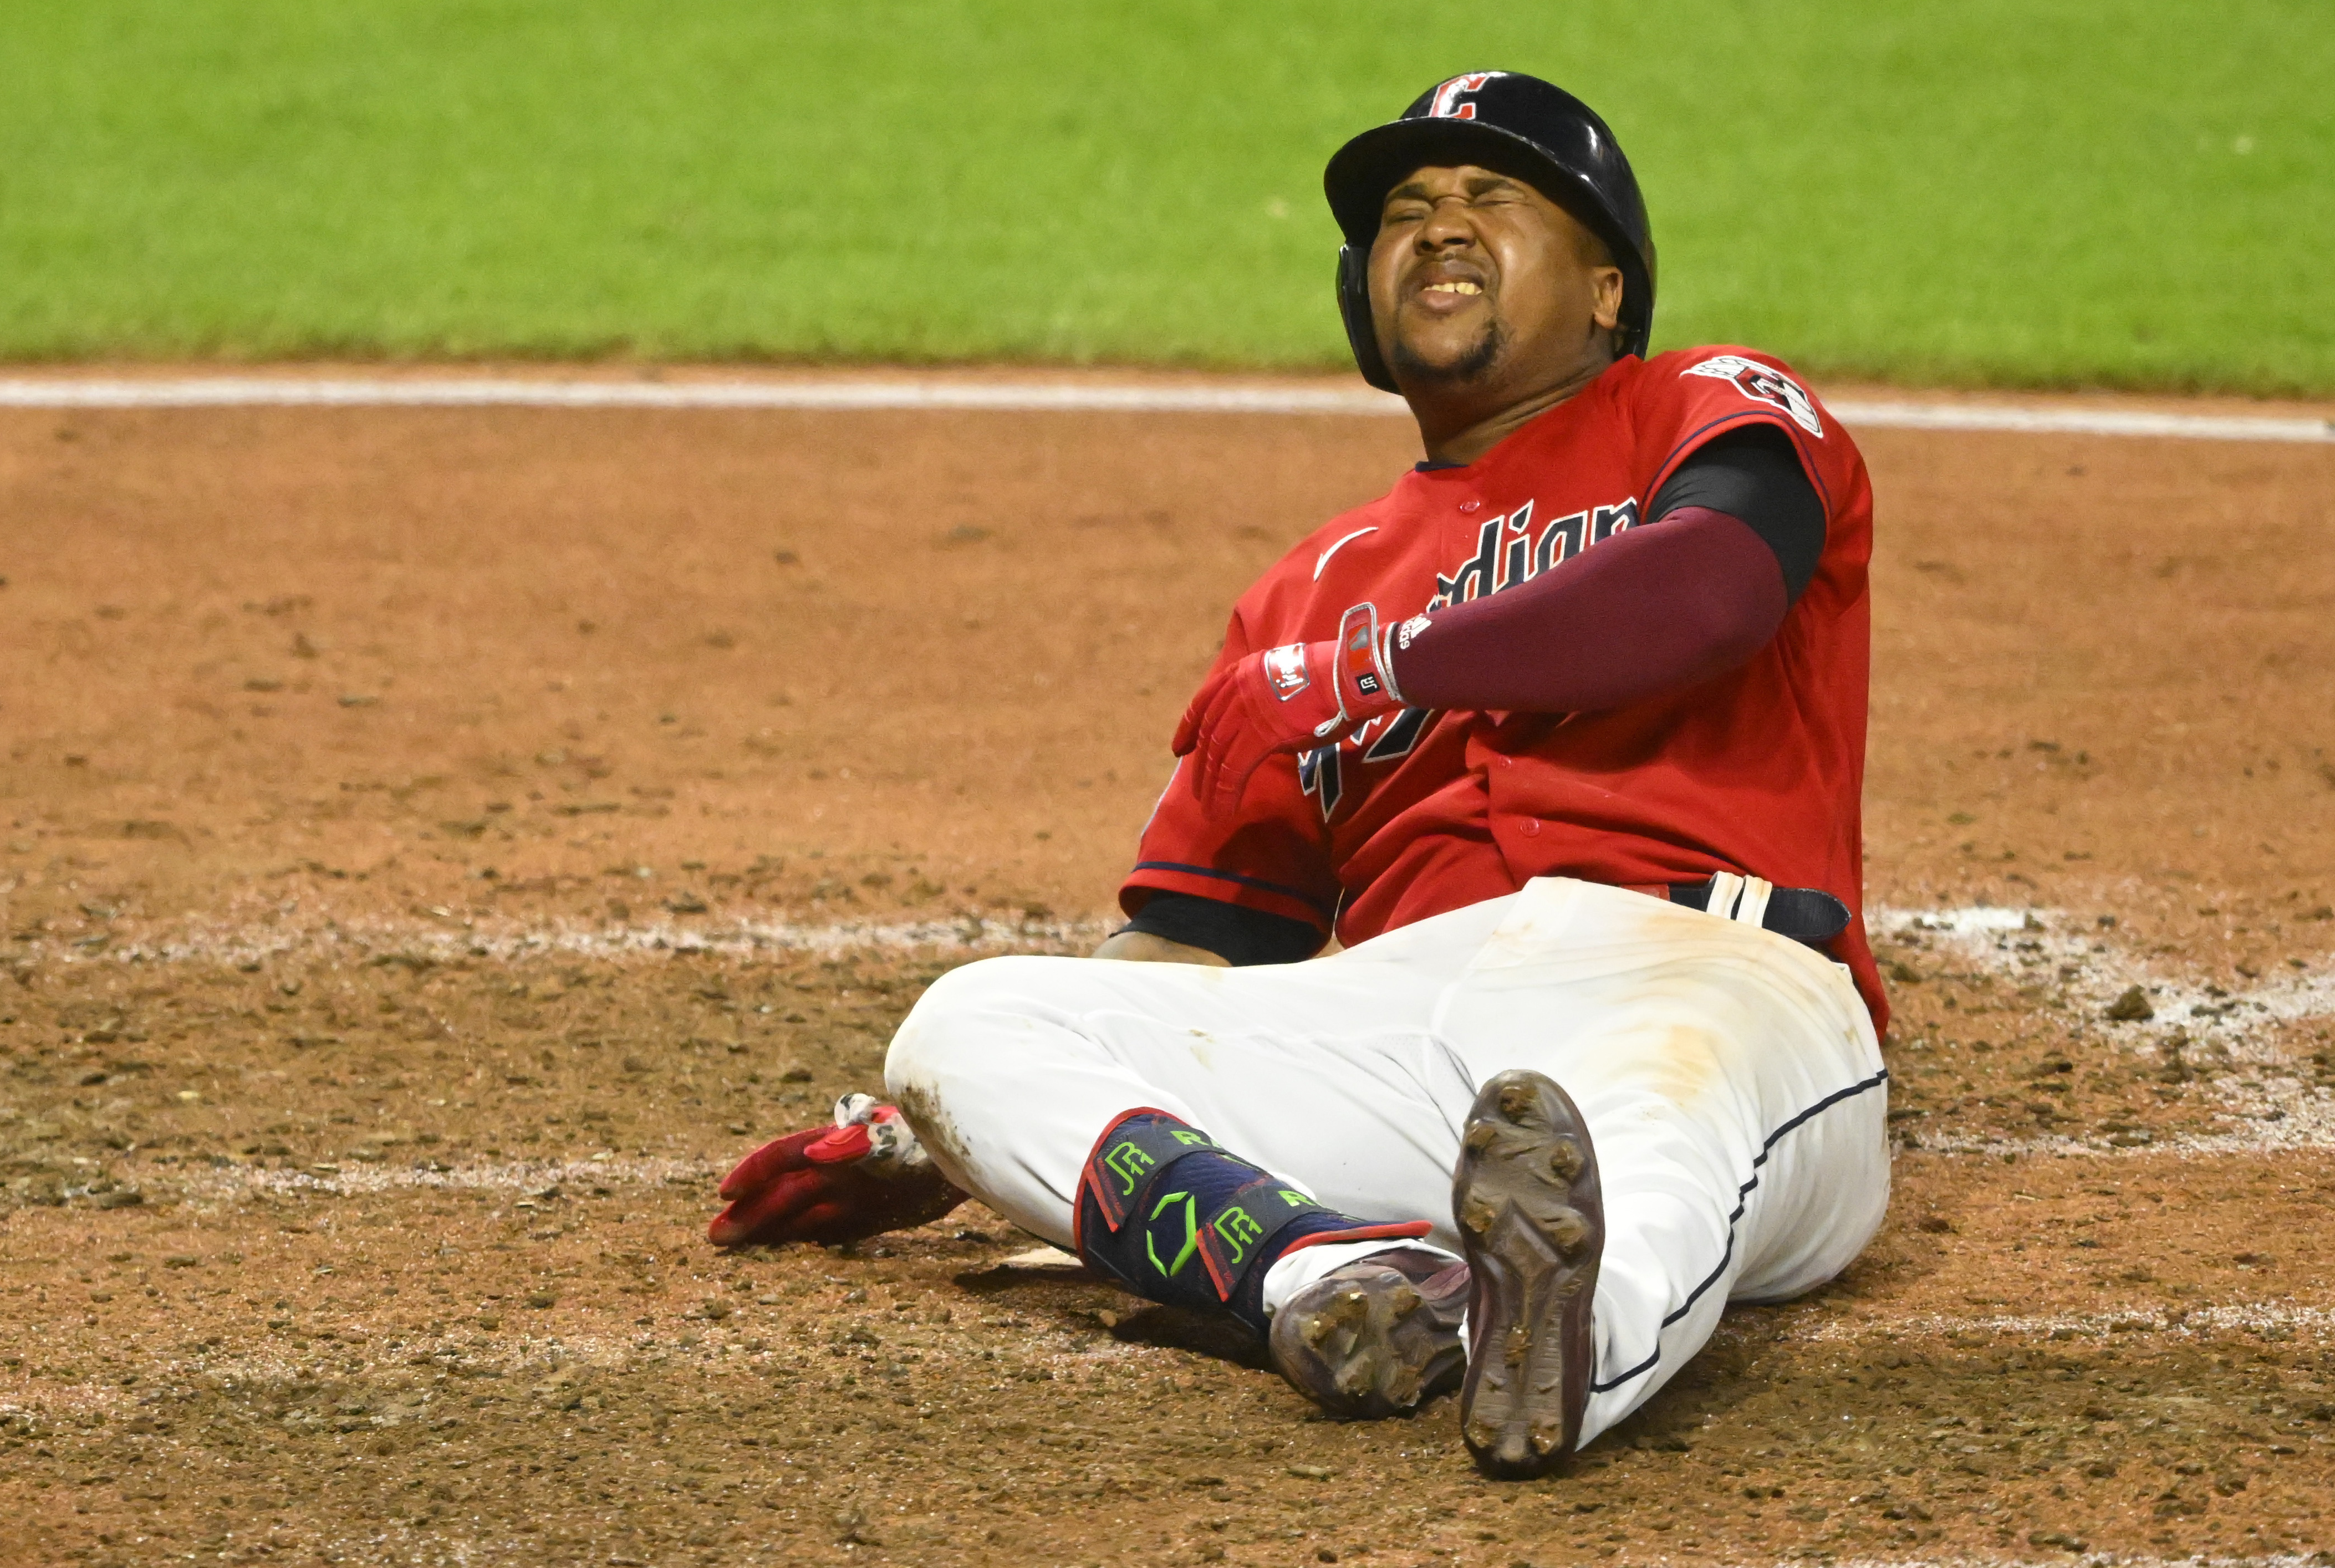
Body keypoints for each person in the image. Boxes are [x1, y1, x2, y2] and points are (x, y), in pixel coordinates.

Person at [709, 71, 1888, 1479]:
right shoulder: (1301, 598)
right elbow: (1194, 948)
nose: (1439, 228)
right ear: (1358, 297)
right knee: (965, 1023)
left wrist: (1380, 671)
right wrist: (940, 1139)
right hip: (1404, 1032)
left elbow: (1712, 589)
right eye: (1405, 211)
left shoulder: (1700, 408)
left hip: (1698, 976)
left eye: (1493, 200)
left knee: (1643, 1132)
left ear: (1605, 295)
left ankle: (1565, 1341)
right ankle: (1328, 1280)